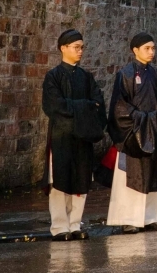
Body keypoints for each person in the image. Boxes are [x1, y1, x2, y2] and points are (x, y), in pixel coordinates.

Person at [106, 32, 157, 233]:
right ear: (135, 50)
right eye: (147, 48)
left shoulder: (156, 74)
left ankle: (152, 217)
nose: (151, 52)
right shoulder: (126, 74)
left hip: (155, 130)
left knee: (156, 174)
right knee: (132, 175)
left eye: (153, 48)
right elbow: (119, 106)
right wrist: (140, 119)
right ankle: (129, 218)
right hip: (134, 134)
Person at [41, 28, 107, 240]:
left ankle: (75, 224)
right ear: (63, 48)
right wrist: (84, 107)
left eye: (82, 47)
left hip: (83, 136)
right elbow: (54, 106)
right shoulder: (53, 77)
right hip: (62, 135)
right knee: (60, 179)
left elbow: (98, 103)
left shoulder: (86, 77)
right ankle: (60, 227)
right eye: (76, 47)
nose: (80, 51)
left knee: (81, 178)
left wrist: (80, 109)